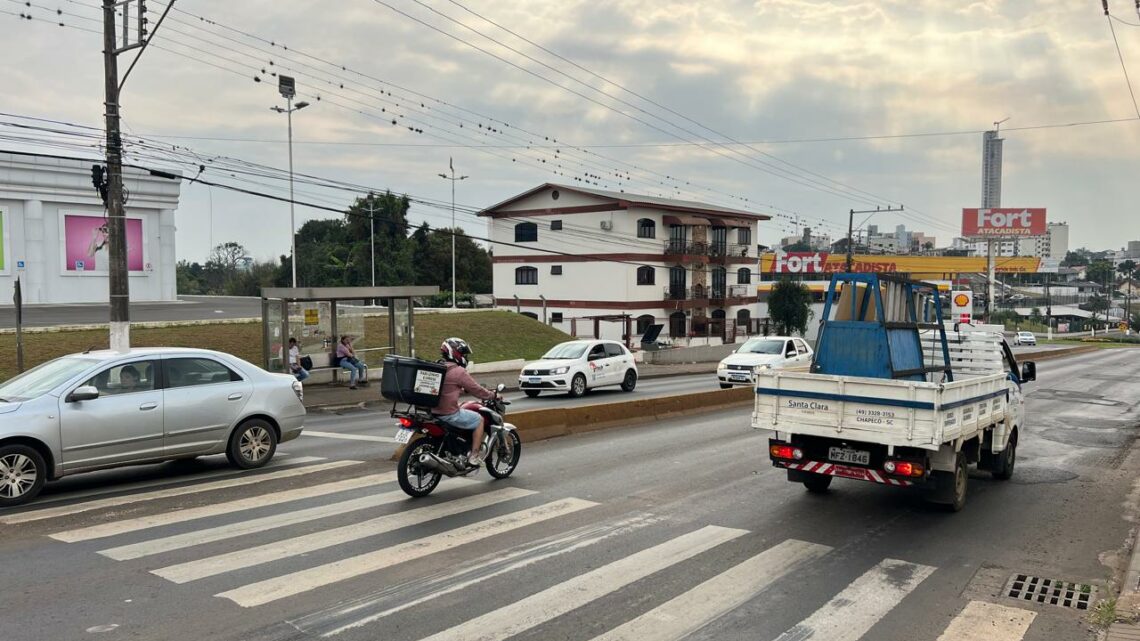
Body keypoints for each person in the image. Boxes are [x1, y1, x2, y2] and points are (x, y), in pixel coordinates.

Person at [432, 337, 497, 467]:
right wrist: (492, 395)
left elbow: (445, 388)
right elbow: (477, 390)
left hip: (431, 412)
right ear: (455, 353)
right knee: (478, 420)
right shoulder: (458, 371)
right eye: (463, 354)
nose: (464, 357)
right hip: (448, 414)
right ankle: (474, 456)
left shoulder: (436, 367)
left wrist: (460, 389)